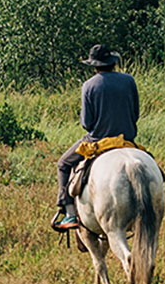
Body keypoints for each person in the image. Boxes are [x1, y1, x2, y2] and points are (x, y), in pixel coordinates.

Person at [53, 44, 140, 231]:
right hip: (127, 139)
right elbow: (135, 113)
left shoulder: (89, 85)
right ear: (113, 63)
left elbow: (87, 123)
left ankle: (69, 213)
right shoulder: (129, 81)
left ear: (94, 65)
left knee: (63, 164)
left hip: (98, 141)